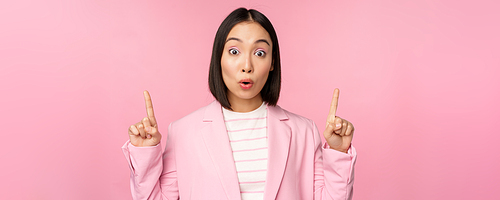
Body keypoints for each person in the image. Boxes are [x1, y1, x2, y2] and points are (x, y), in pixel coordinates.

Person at [122, 7, 356, 200]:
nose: (247, 65)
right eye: (234, 51)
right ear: (219, 58)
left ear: (272, 62)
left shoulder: (304, 132)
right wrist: (146, 154)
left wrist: (337, 152)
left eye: (260, 53)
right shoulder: (183, 131)